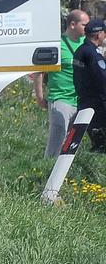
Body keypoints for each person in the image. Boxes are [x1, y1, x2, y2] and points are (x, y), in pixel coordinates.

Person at [34, 9, 89, 156]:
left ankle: (66, 173)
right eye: (85, 25)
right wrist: (39, 97)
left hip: (80, 100)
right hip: (61, 98)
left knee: (73, 142)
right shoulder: (57, 44)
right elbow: (40, 71)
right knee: (58, 139)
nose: (88, 28)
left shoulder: (87, 44)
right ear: (72, 24)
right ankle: (48, 169)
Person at [71, 18, 106, 152]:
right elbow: (102, 79)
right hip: (98, 105)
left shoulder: (80, 50)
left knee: (98, 142)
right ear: (98, 34)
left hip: (85, 101)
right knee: (101, 145)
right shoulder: (92, 54)